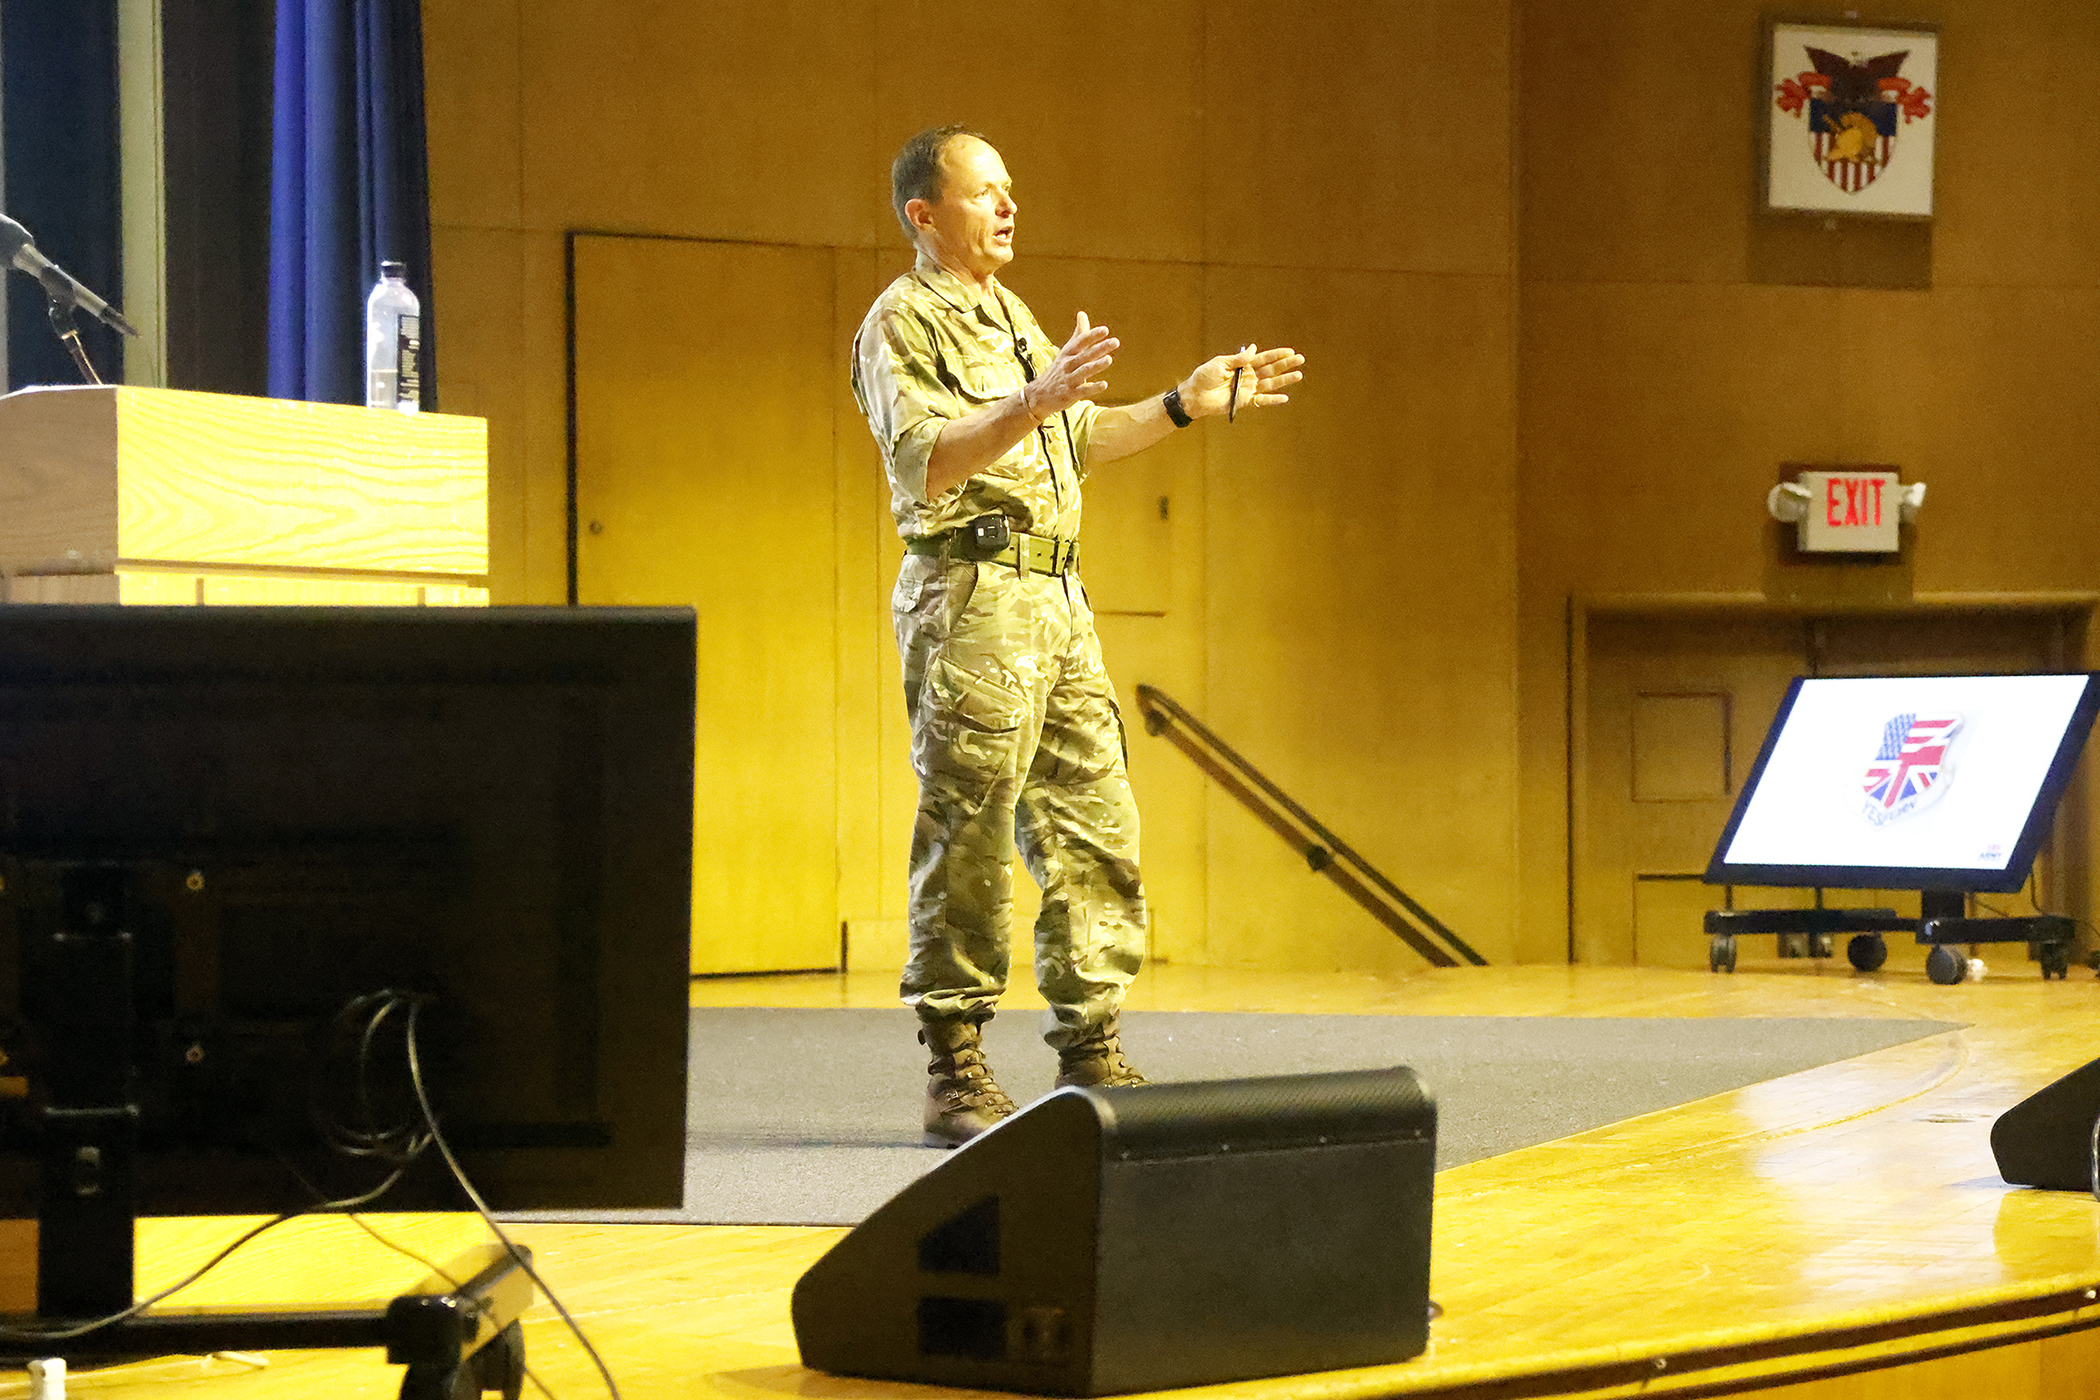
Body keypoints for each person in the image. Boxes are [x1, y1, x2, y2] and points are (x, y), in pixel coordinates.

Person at [851, 125, 1305, 1147]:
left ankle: (1090, 1047)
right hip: (971, 594)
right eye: (985, 192)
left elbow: (1072, 439)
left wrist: (1182, 405)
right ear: (925, 213)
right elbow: (928, 460)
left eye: (1011, 188)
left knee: (1095, 824)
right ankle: (955, 1066)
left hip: (1057, 599)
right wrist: (1035, 398)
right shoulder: (902, 320)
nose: (1009, 206)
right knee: (969, 829)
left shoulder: (1011, 313)